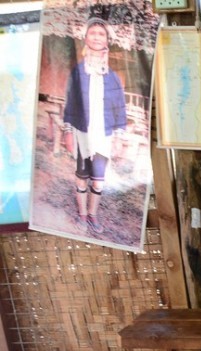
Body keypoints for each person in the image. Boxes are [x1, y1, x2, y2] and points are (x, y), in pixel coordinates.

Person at [62, 16, 126, 235]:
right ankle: (81, 214)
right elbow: (70, 103)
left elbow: (119, 108)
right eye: (93, 33)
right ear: (86, 38)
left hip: (103, 136)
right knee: (82, 176)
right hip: (82, 134)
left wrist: (118, 138)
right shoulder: (78, 73)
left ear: (107, 40)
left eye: (101, 34)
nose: (97, 37)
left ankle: (93, 215)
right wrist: (68, 132)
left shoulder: (113, 78)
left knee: (98, 182)